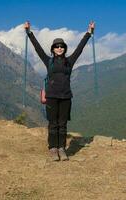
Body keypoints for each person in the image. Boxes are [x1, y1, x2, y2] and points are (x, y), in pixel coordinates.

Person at [25, 21, 95, 161]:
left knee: (62, 124)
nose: (59, 48)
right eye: (56, 47)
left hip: (65, 97)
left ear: (64, 48)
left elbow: (80, 49)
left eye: (61, 46)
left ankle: (62, 149)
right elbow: (37, 48)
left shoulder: (70, 61)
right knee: (53, 124)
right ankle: (53, 148)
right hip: (51, 97)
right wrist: (29, 33)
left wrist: (89, 33)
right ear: (53, 49)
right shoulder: (48, 61)